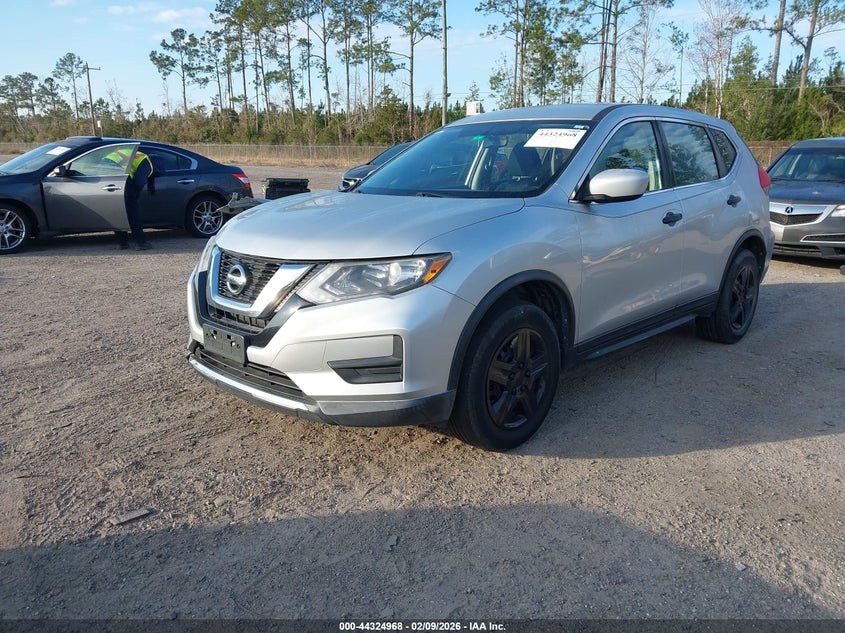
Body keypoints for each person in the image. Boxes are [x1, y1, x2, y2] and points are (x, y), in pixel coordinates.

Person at [107, 147, 155, 250]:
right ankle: (140, 243)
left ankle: (122, 243)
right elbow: (139, 182)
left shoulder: (133, 153)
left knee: (118, 211)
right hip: (121, 178)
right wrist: (134, 195)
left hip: (105, 173)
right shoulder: (146, 161)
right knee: (132, 212)